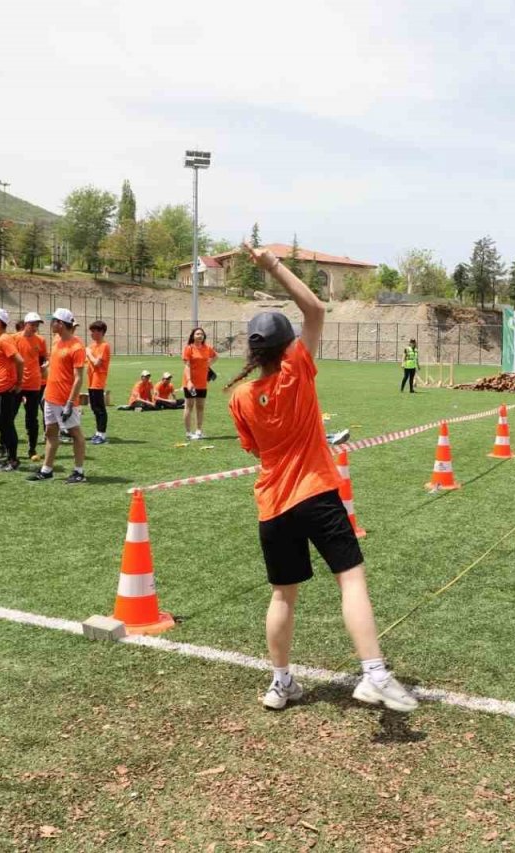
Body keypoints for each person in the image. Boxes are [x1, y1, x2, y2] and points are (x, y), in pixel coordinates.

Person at [228, 243, 417, 714]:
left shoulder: (240, 399)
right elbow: (313, 307)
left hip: (273, 504)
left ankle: (280, 683)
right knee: (351, 580)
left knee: (283, 595)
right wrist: (271, 264)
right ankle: (374, 673)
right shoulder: (297, 369)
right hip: (316, 490)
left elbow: (254, 449)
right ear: (287, 345)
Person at [27, 309, 86, 484]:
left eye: (53, 321)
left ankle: (79, 471)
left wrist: (69, 403)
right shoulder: (56, 342)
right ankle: (47, 469)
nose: (51, 324)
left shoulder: (77, 347)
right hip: (51, 398)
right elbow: (54, 369)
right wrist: (46, 393)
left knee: (76, 434)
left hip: (64, 399)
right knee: (50, 432)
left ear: (60, 323)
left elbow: (78, 378)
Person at [0, 308, 25, 472]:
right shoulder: (1, 339)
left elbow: (19, 360)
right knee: (1, 422)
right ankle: (10, 457)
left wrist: (18, 383)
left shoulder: (4, 340)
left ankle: (13, 459)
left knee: (6, 424)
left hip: (4, 388)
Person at [19, 312, 48, 460]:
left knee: (32, 418)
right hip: (16, 384)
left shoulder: (40, 340)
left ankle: (32, 448)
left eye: (37, 325)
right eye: (32, 324)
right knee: (8, 417)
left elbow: (44, 358)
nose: (35, 327)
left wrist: (44, 365)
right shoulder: (14, 339)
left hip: (34, 384)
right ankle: (4, 447)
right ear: (26, 324)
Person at [182, 326, 217, 440]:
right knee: (189, 406)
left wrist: (207, 365)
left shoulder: (207, 348)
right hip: (191, 383)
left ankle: (199, 431)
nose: (200, 336)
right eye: (197, 334)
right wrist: (189, 381)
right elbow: (187, 366)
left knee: (200, 407)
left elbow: (216, 357)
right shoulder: (189, 348)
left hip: (202, 383)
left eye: (201, 334)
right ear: (193, 336)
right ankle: (188, 432)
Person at [86, 320, 112, 444]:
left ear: (101, 332)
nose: (92, 334)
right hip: (90, 380)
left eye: (94, 331)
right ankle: (97, 432)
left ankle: (102, 434)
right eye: (91, 331)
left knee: (100, 408)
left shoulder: (104, 346)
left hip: (98, 379)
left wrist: (88, 353)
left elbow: (97, 363)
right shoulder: (91, 346)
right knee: (94, 408)